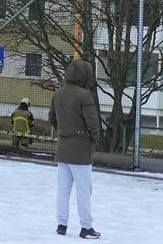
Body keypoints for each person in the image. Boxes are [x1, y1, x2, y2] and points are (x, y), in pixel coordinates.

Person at [50, 58, 102, 239]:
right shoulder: (85, 95)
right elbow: (93, 123)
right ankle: (86, 227)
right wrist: (94, 139)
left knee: (62, 189)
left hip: (63, 148)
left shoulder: (58, 94)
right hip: (81, 150)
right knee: (84, 190)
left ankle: (61, 224)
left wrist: (62, 131)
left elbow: (52, 119)